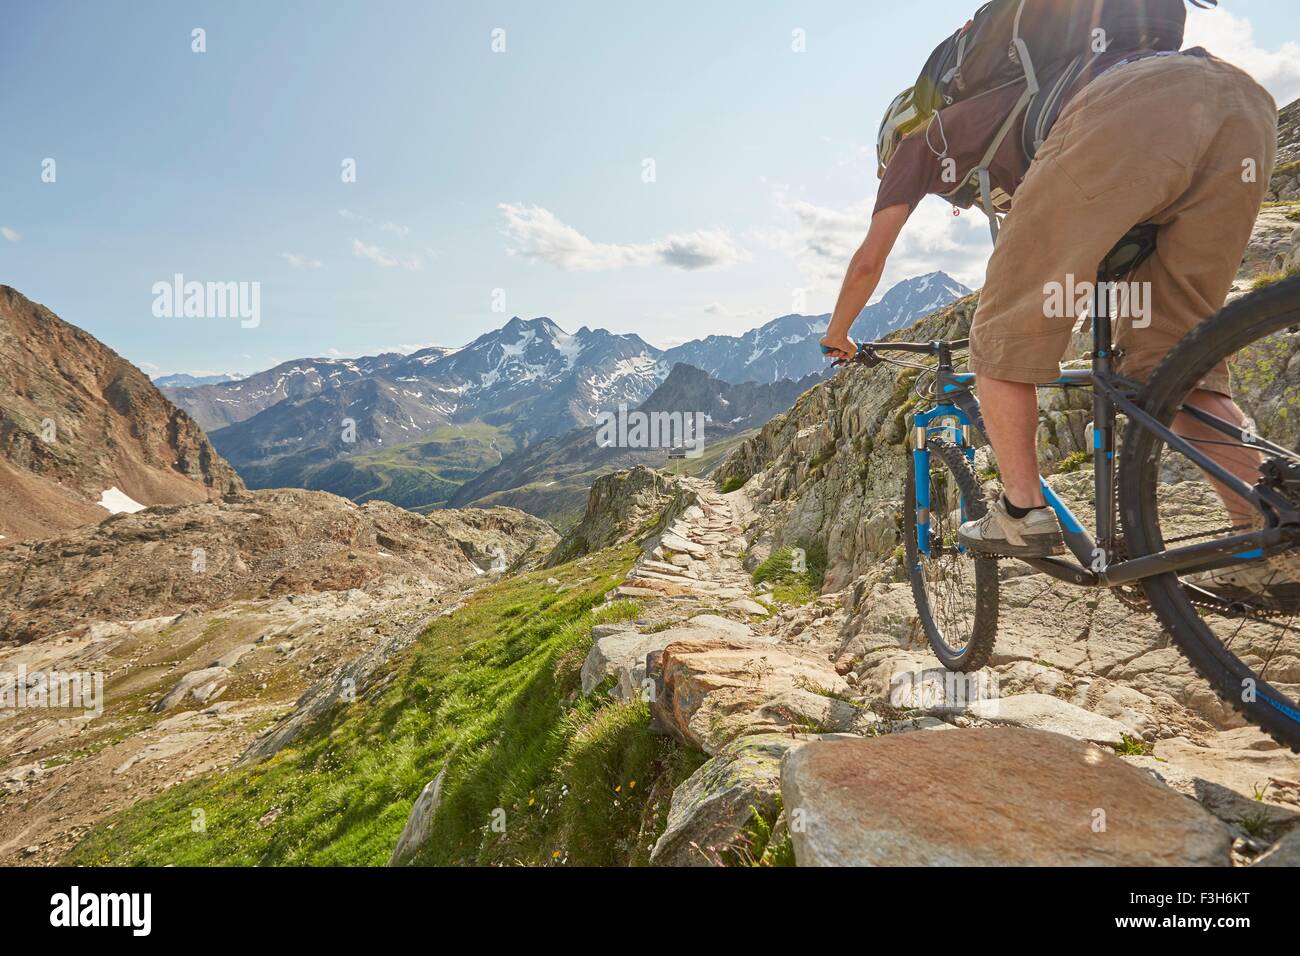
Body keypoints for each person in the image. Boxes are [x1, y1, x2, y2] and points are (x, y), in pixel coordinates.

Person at [820, 33, 1278, 591]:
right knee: (1174, 364)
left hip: (1131, 105)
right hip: (1242, 107)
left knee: (999, 334)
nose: (955, 201)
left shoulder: (923, 141)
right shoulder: (1025, 103)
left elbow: (870, 259)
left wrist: (838, 331)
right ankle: (1267, 533)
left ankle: (1022, 513)